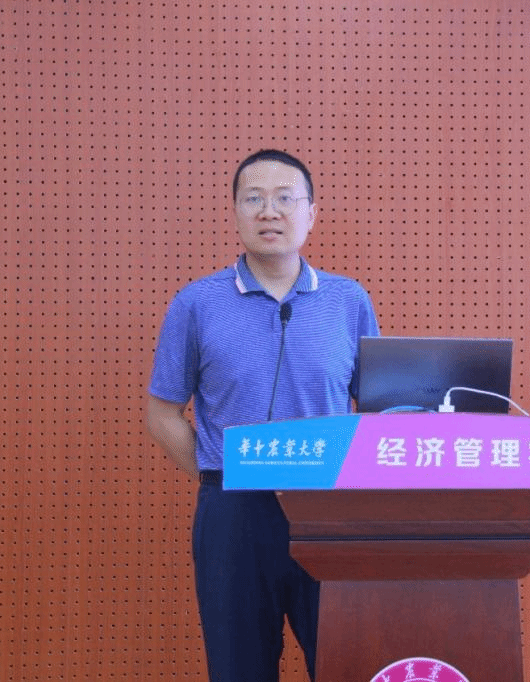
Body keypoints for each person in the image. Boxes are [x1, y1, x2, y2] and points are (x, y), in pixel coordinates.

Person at [146, 149, 380, 681]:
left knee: (345, 663)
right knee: (239, 670)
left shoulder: (348, 301)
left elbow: (377, 407)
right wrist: (220, 471)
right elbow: (162, 414)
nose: (269, 211)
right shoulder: (197, 303)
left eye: (284, 199)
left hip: (327, 508)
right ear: (234, 211)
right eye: (253, 199)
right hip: (235, 515)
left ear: (311, 213)